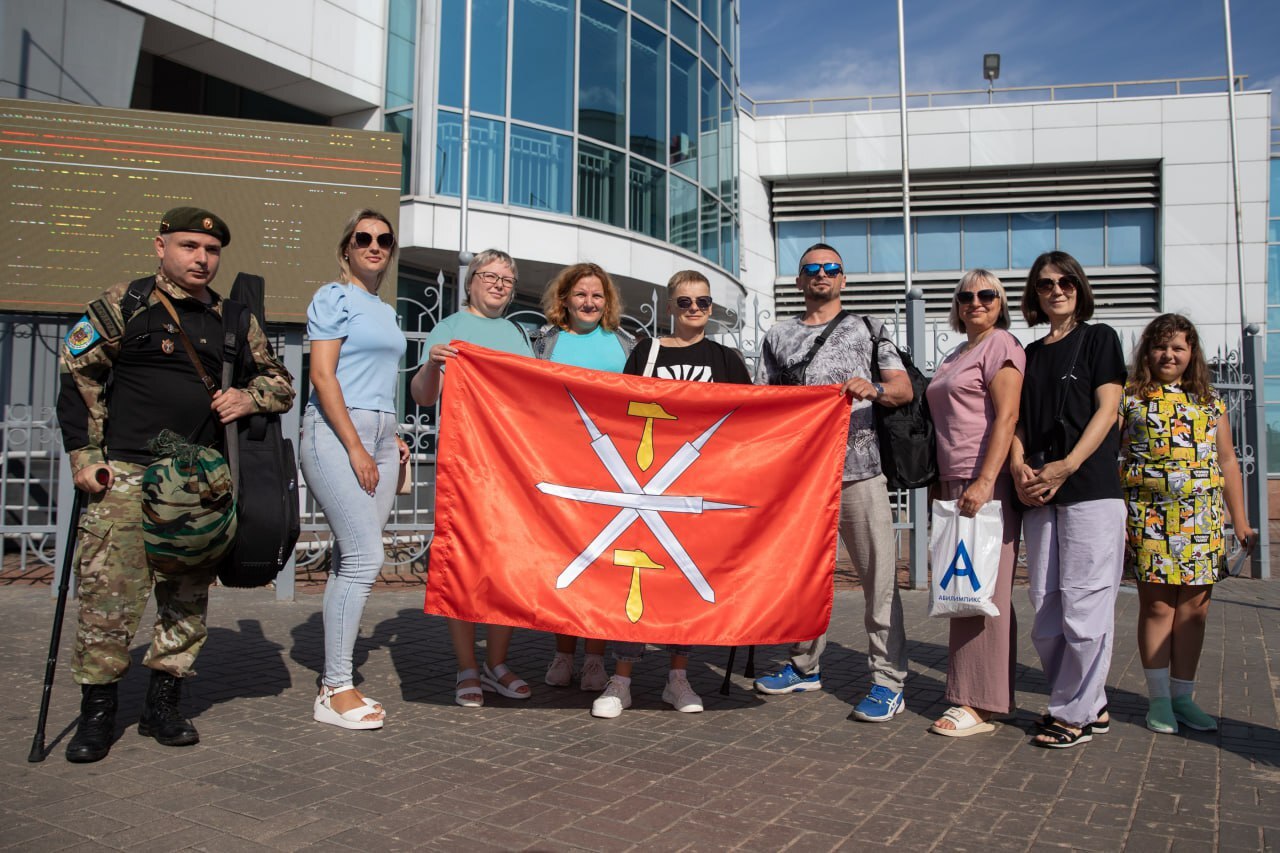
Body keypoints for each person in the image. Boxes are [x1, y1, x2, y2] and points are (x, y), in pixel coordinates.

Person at [56, 207, 295, 763]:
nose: (201, 259)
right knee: (107, 602)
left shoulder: (234, 318)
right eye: (189, 247)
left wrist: (248, 397)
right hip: (125, 477)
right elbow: (80, 375)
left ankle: (163, 706)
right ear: (160, 246)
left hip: (196, 483)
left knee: (185, 601)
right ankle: (98, 714)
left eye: (211, 251)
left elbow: (278, 382)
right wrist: (85, 457)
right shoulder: (125, 303)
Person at [753, 243, 914, 723]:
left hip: (860, 473)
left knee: (879, 581)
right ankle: (804, 666)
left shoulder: (868, 328)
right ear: (799, 281)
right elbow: (763, 404)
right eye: (811, 269)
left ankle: (888, 680)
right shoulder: (777, 336)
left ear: (843, 279)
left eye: (831, 268)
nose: (821, 275)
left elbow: (902, 389)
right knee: (803, 579)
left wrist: (876, 389)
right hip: (803, 479)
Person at [590, 270, 751, 719]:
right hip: (645, 480)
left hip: (699, 485)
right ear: (670, 307)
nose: (695, 310)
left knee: (684, 578)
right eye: (685, 302)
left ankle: (677, 678)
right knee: (634, 577)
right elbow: (621, 410)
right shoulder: (647, 351)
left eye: (703, 303)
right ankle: (620, 679)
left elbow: (750, 419)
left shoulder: (727, 359)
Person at [1010, 251, 1126, 749]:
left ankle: (1073, 712)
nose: (1055, 290)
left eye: (1065, 282)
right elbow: (1012, 420)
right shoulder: (1029, 354)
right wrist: (1017, 464)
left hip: (1089, 488)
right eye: (1044, 284)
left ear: (1080, 287)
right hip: (1038, 490)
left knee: (1086, 605)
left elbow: (1109, 409)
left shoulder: (1099, 338)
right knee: (1046, 606)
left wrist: (1070, 463)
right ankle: (1085, 701)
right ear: (1034, 295)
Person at [1120, 314, 1255, 735]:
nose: (1168, 355)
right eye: (1161, 346)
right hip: (1149, 518)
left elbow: (1228, 461)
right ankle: (1158, 699)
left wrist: (1242, 521)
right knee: (1158, 606)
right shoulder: (1128, 398)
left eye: (1178, 347)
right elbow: (1110, 456)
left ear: (1191, 353)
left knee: (1195, 611)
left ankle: (1183, 698)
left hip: (1202, 519)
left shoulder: (1210, 401)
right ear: (1148, 351)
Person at [300, 209, 409, 730]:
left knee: (354, 558)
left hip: (383, 437)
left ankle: (336, 680)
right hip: (337, 434)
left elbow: (379, 379)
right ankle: (334, 688)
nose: (374, 245)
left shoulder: (384, 311)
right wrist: (357, 448)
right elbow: (323, 377)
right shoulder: (333, 296)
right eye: (363, 238)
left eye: (383, 239)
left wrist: (393, 437)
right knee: (367, 556)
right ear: (346, 247)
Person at [410, 249, 534, 707]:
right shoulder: (450, 328)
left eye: (507, 278)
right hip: (464, 465)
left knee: (508, 565)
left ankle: (496, 664)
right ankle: (466, 666)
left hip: (510, 467)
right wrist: (434, 364)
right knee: (461, 563)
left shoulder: (516, 334)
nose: (499, 284)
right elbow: (423, 397)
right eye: (491, 276)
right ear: (472, 282)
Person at [924, 270, 1025, 737]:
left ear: (1001, 302)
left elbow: (1008, 416)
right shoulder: (956, 353)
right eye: (966, 296)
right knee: (965, 586)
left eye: (987, 295)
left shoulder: (1001, 345)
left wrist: (986, 480)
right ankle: (980, 692)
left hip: (980, 480)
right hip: (952, 479)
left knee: (981, 589)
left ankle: (978, 703)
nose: (975, 302)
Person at [531, 262, 637, 692]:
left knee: (601, 565)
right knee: (565, 557)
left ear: (607, 301)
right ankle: (563, 651)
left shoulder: (628, 344)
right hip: (559, 463)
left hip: (614, 470)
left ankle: (595, 659)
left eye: (597, 295)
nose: (589, 302)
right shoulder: (543, 342)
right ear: (564, 300)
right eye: (580, 294)